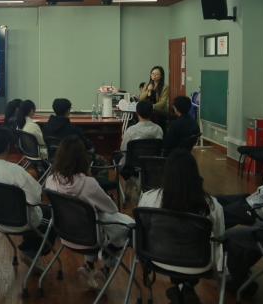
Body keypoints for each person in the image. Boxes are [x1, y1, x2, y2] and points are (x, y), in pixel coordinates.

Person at [45, 135, 133, 290]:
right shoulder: (89, 183)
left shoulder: (50, 180)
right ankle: (105, 268)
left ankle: (89, 265)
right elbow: (111, 208)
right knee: (127, 225)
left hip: (65, 235)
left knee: (91, 220)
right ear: (83, 157)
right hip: (92, 239)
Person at [138, 149, 224, 304]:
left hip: (158, 258)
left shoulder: (149, 198)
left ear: (167, 172)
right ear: (195, 174)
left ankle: (180, 288)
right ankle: (186, 287)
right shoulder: (211, 204)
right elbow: (219, 238)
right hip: (199, 263)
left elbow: (142, 231)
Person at [0, 126, 55, 273]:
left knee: (31, 212)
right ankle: (31, 252)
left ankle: (28, 248)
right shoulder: (15, 170)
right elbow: (36, 199)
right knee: (52, 215)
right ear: (8, 145)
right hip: (22, 222)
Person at [118, 100, 164, 173]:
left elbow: (123, 150)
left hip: (132, 165)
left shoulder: (131, 131)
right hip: (153, 165)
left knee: (115, 158)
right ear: (152, 112)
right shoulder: (158, 129)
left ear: (137, 113)